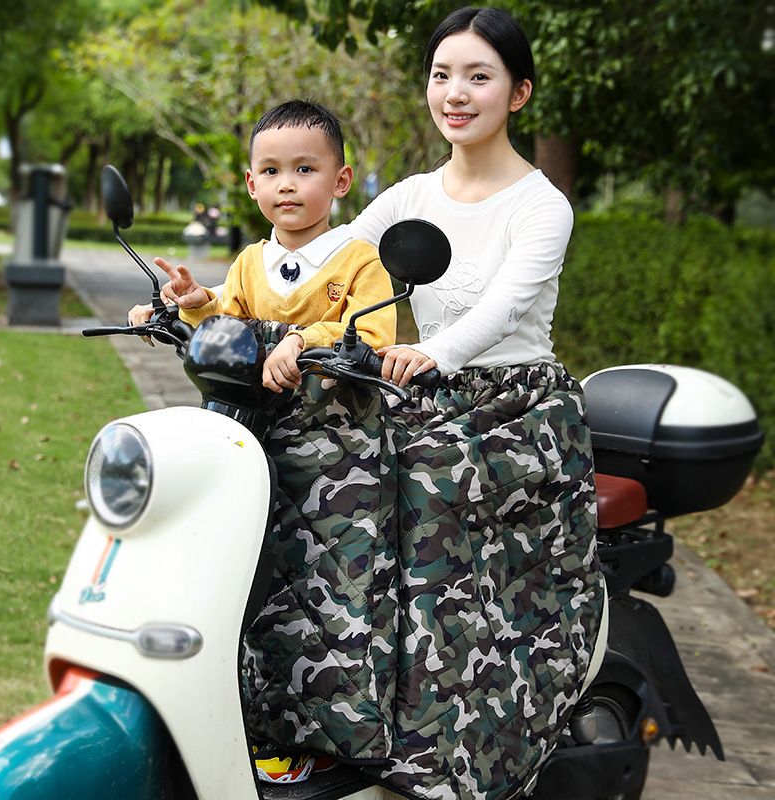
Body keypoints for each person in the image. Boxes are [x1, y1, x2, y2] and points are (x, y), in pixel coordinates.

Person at [242, 7, 604, 800]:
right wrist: (207, 304)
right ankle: (320, 711)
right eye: (443, 75)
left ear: (518, 93)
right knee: (298, 467)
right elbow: (320, 261)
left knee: (424, 493)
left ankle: (441, 741)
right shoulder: (408, 195)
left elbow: (501, 310)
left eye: (479, 76)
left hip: (510, 405)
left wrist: (436, 352)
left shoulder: (541, 206)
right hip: (413, 389)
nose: (456, 93)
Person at [128, 99, 396, 393]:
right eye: (270, 171)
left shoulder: (361, 263)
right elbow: (227, 334)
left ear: (340, 181)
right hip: (250, 412)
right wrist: (198, 306)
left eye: (304, 169)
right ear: (252, 184)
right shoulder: (249, 263)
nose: (286, 185)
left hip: (336, 418)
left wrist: (302, 340)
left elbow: (374, 338)